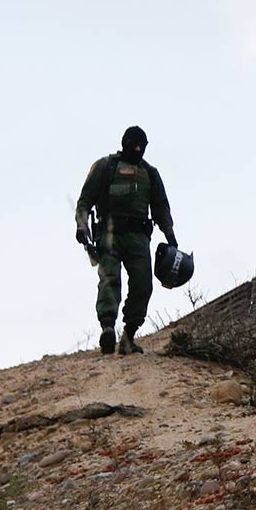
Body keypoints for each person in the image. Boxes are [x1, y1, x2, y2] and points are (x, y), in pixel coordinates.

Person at [75, 126, 177, 355]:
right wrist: (82, 226)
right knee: (109, 280)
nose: (138, 149)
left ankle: (129, 335)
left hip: (139, 239)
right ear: (124, 143)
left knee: (143, 284)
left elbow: (160, 207)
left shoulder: (150, 173)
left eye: (142, 146)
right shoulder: (105, 167)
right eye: (134, 145)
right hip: (109, 234)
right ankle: (108, 328)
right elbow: (85, 201)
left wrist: (170, 234)